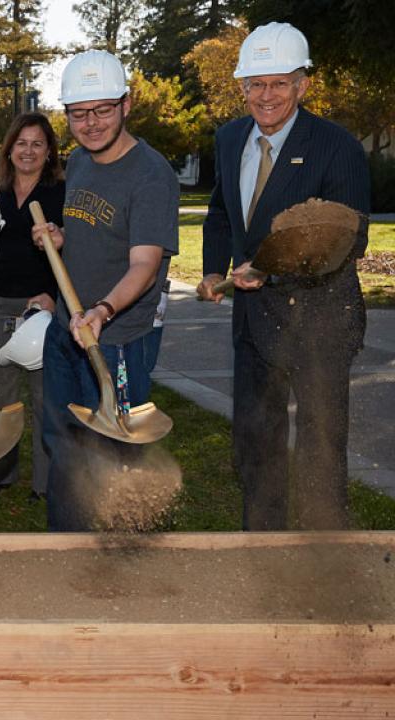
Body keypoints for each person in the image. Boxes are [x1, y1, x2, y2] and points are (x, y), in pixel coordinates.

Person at [196, 23, 369, 530]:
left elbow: (349, 240)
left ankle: (322, 556)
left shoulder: (337, 147)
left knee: (320, 446)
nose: (265, 96)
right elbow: (220, 215)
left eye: (278, 83)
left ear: (303, 85)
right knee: (256, 443)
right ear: (243, 87)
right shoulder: (229, 139)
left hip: (319, 324)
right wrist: (212, 268)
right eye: (255, 84)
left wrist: (268, 273)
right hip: (253, 326)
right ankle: (263, 551)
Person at [33, 50, 178, 531]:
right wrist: (59, 238)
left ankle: (119, 554)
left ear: (126, 104)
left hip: (116, 339)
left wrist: (103, 310)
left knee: (115, 451)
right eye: (79, 113)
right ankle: (66, 547)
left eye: (102, 110)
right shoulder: (79, 163)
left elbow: (145, 263)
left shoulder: (152, 175)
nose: (91, 123)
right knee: (64, 442)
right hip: (67, 329)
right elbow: (93, 231)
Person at [0, 112, 63, 502]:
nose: (28, 151)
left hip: (41, 305)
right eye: (21, 143)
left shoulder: (61, 193)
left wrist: (52, 295)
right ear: (9, 149)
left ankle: (44, 484)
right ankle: (0, 473)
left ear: (48, 153)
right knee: (3, 396)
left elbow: (72, 251)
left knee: (45, 397)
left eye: (37, 144)